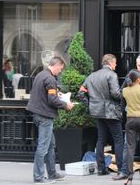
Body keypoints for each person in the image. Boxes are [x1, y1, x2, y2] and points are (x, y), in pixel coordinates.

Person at [26, 56, 74, 184]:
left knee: (50, 145)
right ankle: (38, 177)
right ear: (57, 65)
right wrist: (66, 105)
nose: (60, 71)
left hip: (37, 114)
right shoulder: (50, 78)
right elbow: (51, 100)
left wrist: (56, 94)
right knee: (43, 147)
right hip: (44, 116)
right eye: (61, 69)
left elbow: (45, 94)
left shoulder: (41, 75)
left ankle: (52, 173)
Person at [80, 54, 123, 176]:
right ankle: (120, 169)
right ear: (111, 63)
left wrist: (89, 104)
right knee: (118, 139)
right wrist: (122, 98)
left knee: (101, 139)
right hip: (110, 111)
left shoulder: (92, 76)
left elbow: (81, 92)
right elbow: (115, 94)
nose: (116, 65)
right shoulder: (111, 75)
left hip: (97, 111)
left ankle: (101, 168)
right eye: (115, 63)